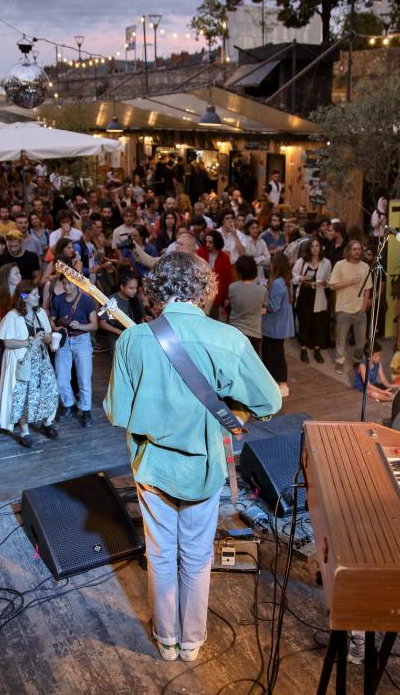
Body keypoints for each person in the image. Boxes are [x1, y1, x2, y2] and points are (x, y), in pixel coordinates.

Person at [103, 251, 282, 663]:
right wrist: (232, 412)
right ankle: (191, 642)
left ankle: (166, 640)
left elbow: (117, 412)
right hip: (204, 467)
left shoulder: (133, 340)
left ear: (156, 290)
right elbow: (270, 400)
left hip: (153, 468)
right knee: (197, 558)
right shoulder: (228, 339)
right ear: (204, 289)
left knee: (160, 555)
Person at [0, 282, 60, 445]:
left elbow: (47, 334)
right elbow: (7, 343)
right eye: (34, 294)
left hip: (40, 360)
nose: (38, 296)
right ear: (24, 297)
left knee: (47, 391)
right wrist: (30, 341)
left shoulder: (40, 313)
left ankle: (47, 422)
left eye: (37, 293)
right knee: (22, 396)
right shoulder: (12, 316)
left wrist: (51, 341)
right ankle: (24, 431)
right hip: (22, 361)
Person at [51, 275, 99, 427]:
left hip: (82, 339)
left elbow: (94, 325)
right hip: (64, 339)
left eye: (70, 284)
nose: (66, 287)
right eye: (64, 284)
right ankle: (69, 405)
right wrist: (56, 327)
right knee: (61, 377)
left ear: (77, 284)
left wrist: (81, 326)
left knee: (84, 378)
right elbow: (52, 319)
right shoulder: (58, 300)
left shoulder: (86, 300)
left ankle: (86, 410)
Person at [329, 240, 371, 374]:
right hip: (343, 309)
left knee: (361, 341)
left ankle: (357, 361)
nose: (357, 252)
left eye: (359, 249)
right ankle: (339, 361)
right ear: (348, 251)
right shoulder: (340, 265)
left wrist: (364, 307)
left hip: (359, 310)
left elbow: (367, 289)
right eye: (354, 249)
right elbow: (332, 285)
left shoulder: (365, 267)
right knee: (341, 339)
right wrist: (349, 282)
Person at [292, 237, 332, 364]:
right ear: (309, 248)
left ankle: (317, 349)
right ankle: (303, 349)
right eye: (312, 246)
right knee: (304, 324)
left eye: (317, 246)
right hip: (304, 296)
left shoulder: (326, 262)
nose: (315, 249)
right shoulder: (302, 261)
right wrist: (300, 278)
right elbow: (293, 277)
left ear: (320, 248)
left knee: (318, 324)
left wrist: (325, 283)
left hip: (318, 297)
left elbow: (329, 281)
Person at [261, 253, 294, 398]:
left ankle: (282, 384)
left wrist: (262, 304)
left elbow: (273, 306)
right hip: (280, 326)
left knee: (274, 355)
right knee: (277, 354)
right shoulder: (286, 281)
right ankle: (279, 383)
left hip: (273, 326)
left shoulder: (277, 283)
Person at [227, 256, 267, 353]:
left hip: (235, 331)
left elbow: (231, 305)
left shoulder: (232, 287)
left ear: (239, 272)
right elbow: (264, 310)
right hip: (254, 333)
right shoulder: (263, 290)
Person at [99, 270, 146, 349]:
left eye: (136, 288)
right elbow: (101, 323)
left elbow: (141, 319)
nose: (135, 291)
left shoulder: (136, 298)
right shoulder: (110, 300)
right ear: (122, 287)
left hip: (133, 337)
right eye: (131, 288)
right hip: (117, 340)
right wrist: (120, 332)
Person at [197, 230, 232, 320]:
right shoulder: (200, 253)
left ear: (216, 242)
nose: (207, 244)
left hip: (216, 297)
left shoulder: (225, 258)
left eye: (210, 242)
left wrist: (227, 297)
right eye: (206, 242)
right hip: (200, 295)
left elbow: (228, 279)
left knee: (213, 320)